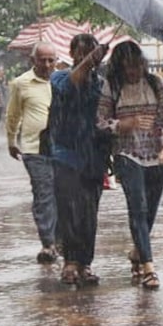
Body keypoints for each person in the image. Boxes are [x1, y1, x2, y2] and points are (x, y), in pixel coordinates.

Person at [97, 41, 163, 290]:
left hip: (158, 156)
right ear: (119, 67)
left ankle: (137, 251)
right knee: (138, 206)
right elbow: (99, 121)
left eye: (137, 66)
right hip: (127, 154)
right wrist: (123, 124)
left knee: (150, 211)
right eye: (128, 67)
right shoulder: (112, 87)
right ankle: (149, 267)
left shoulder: (156, 84)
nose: (133, 71)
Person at [48, 33, 111, 287]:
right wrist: (88, 61)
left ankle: (85, 262)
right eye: (82, 52)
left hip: (94, 157)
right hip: (66, 155)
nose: (88, 56)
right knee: (68, 210)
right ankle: (70, 262)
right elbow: (71, 84)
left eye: (92, 51)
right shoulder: (60, 77)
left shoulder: (102, 84)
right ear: (72, 53)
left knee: (89, 213)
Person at [7, 42, 60, 263]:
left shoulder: (63, 81)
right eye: (42, 60)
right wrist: (11, 140)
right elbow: (13, 114)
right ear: (33, 60)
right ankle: (48, 243)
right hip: (33, 148)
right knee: (43, 193)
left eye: (51, 60)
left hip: (62, 147)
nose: (47, 64)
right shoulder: (21, 84)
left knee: (63, 194)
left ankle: (61, 240)